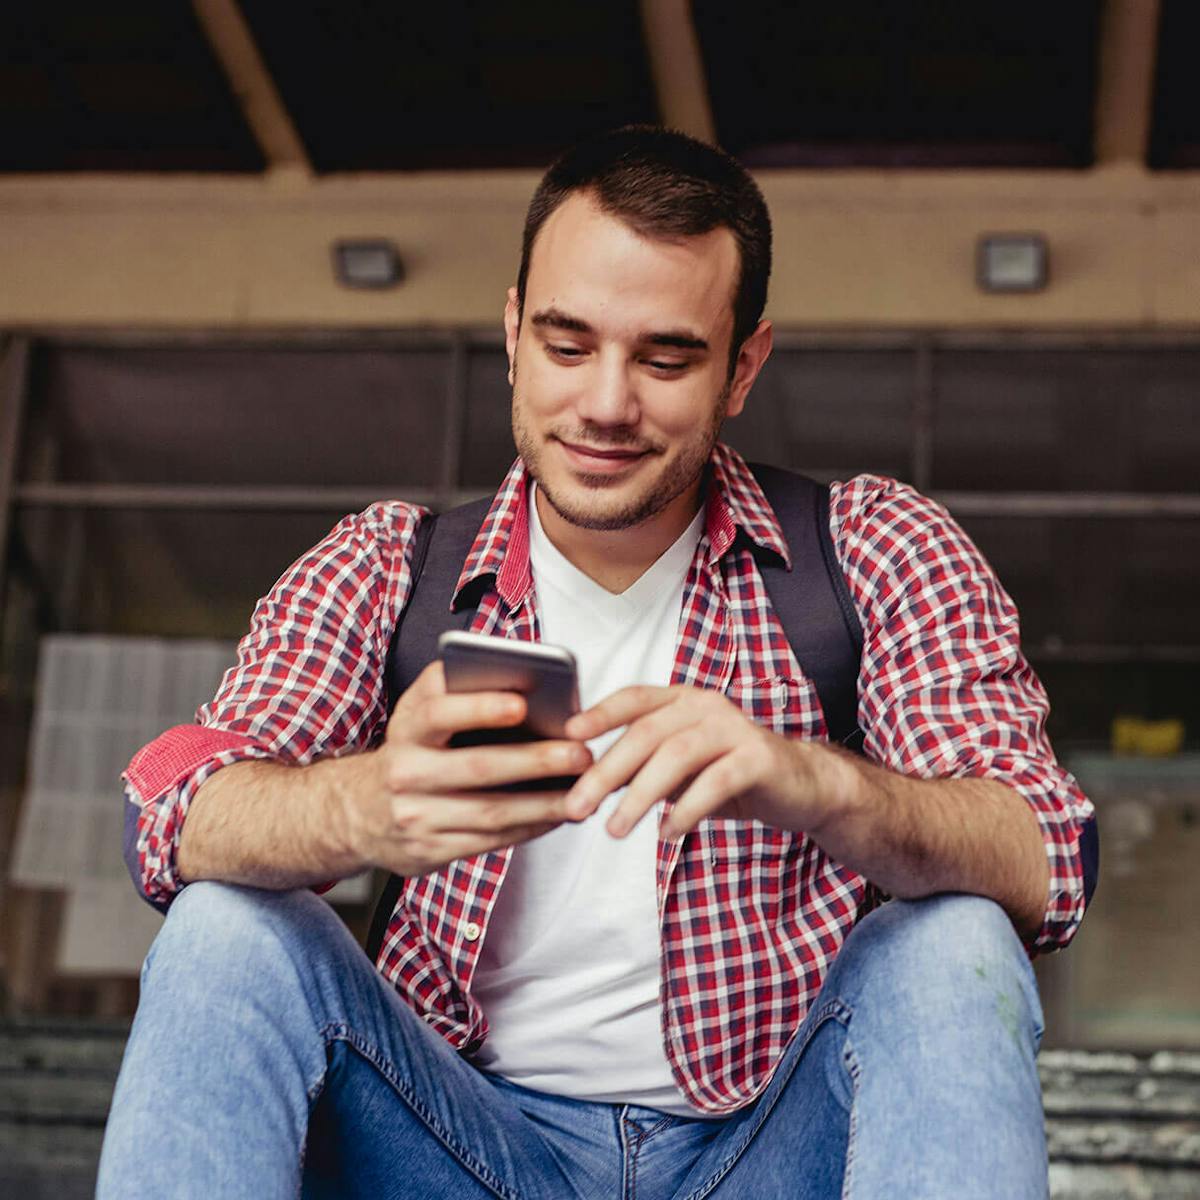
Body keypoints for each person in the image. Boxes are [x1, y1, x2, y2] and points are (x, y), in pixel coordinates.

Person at [98, 126, 1096, 1199]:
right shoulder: (395, 564)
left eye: (665, 358)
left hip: (763, 1151)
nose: (608, 404)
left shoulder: (869, 547)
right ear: (514, 336)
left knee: (954, 945)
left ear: (741, 368)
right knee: (223, 927)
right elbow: (168, 812)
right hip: (457, 1149)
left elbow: (1046, 859)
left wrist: (817, 783)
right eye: (569, 346)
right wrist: (363, 807)